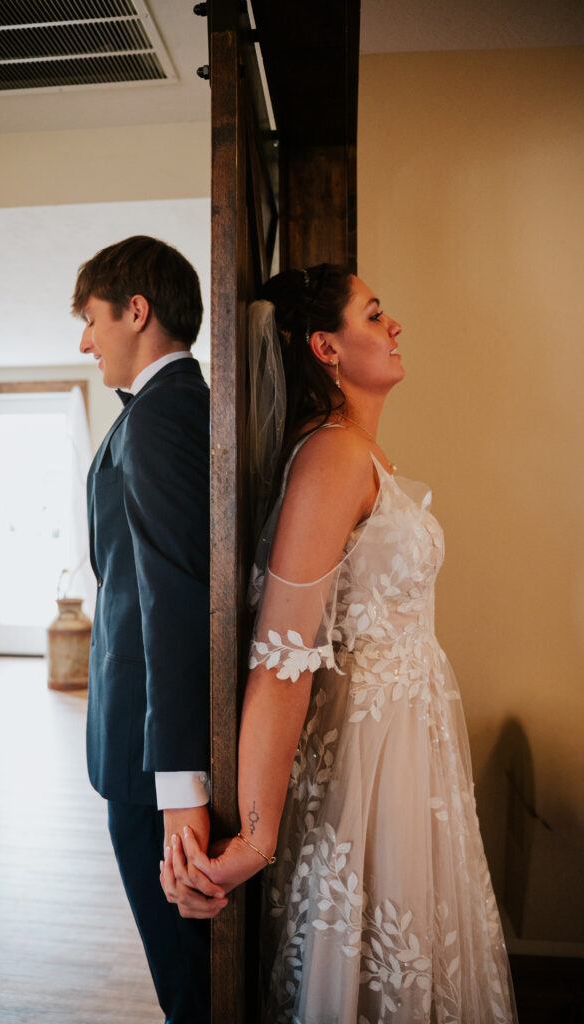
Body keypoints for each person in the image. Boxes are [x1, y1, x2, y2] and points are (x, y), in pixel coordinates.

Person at [162, 265, 518, 1022]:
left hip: (410, 744)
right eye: (375, 314)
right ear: (324, 346)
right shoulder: (331, 457)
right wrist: (255, 839)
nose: (394, 328)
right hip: (368, 755)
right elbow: (283, 657)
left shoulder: (360, 452)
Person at [73, 236, 224, 1024]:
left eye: (92, 319)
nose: (84, 340)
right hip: (142, 742)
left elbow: (174, 598)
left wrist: (178, 786)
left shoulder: (162, 418)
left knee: (188, 983)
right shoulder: (169, 410)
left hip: (151, 755)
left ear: (138, 311)